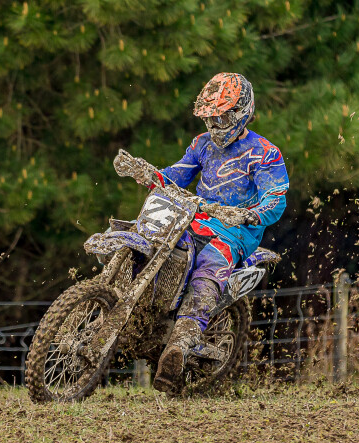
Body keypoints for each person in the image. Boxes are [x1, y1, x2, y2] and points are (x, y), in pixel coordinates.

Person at [114, 72, 289, 393]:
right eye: (210, 118)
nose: (215, 125)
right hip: (195, 219)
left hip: (235, 231)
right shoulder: (202, 144)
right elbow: (176, 176)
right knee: (155, 240)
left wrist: (250, 214)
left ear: (241, 112)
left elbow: (275, 198)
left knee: (209, 267)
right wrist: (146, 172)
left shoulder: (264, 153)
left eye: (221, 117)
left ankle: (181, 343)